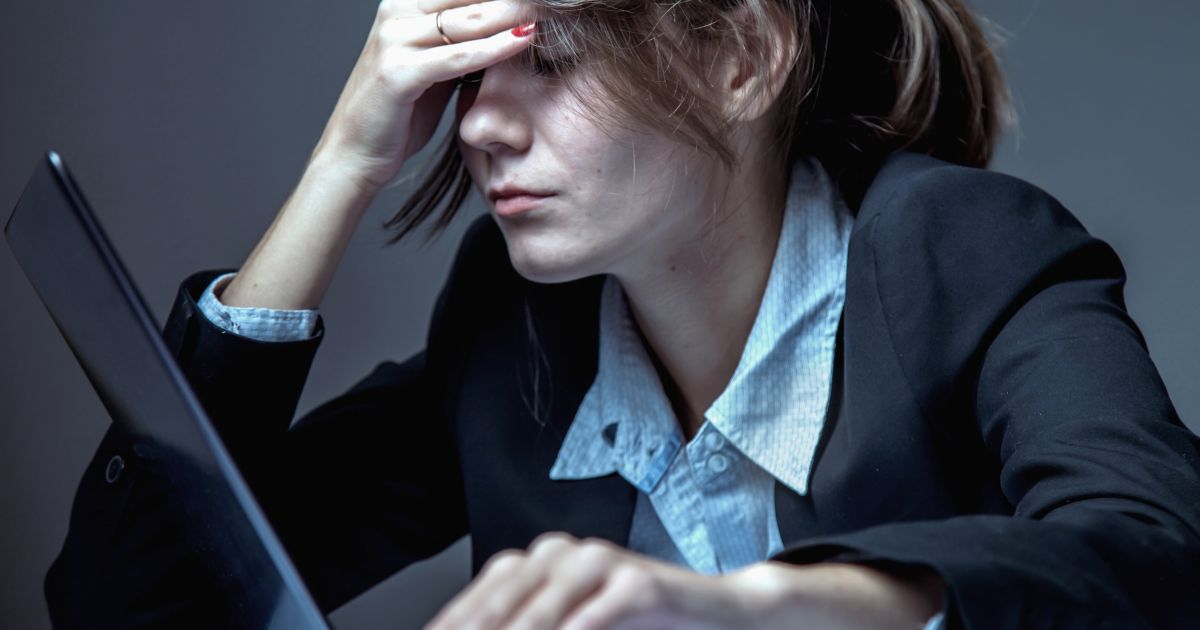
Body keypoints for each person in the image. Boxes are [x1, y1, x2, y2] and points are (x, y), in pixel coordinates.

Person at [45, 0, 1200, 627]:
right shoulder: (515, 333)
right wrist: (341, 164)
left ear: (743, 56)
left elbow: (1158, 559)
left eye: (545, 58)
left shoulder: (971, 251)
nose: (481, 125)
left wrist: (761, 612)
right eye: (462, 77)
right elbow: (132, 602)